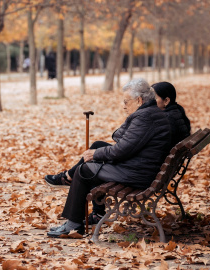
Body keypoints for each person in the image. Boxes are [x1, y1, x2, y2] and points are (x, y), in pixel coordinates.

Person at [45, 78, 171, 238]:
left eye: (126, 101)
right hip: (142, 166)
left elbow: (122, 149)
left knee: (84, 170)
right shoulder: (151, 113)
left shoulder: (145, 117)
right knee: (97, 146)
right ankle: (69, 181)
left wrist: (96, 154)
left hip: (138, 173)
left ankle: (73, 225)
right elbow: (123, 139)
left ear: (139, 100)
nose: (124, 105)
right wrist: (99, 151)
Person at [152, 82, 191, 147]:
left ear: (166, 101)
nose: (150, 101)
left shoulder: (166, 119)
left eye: (154, 98)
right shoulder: (178, 110)